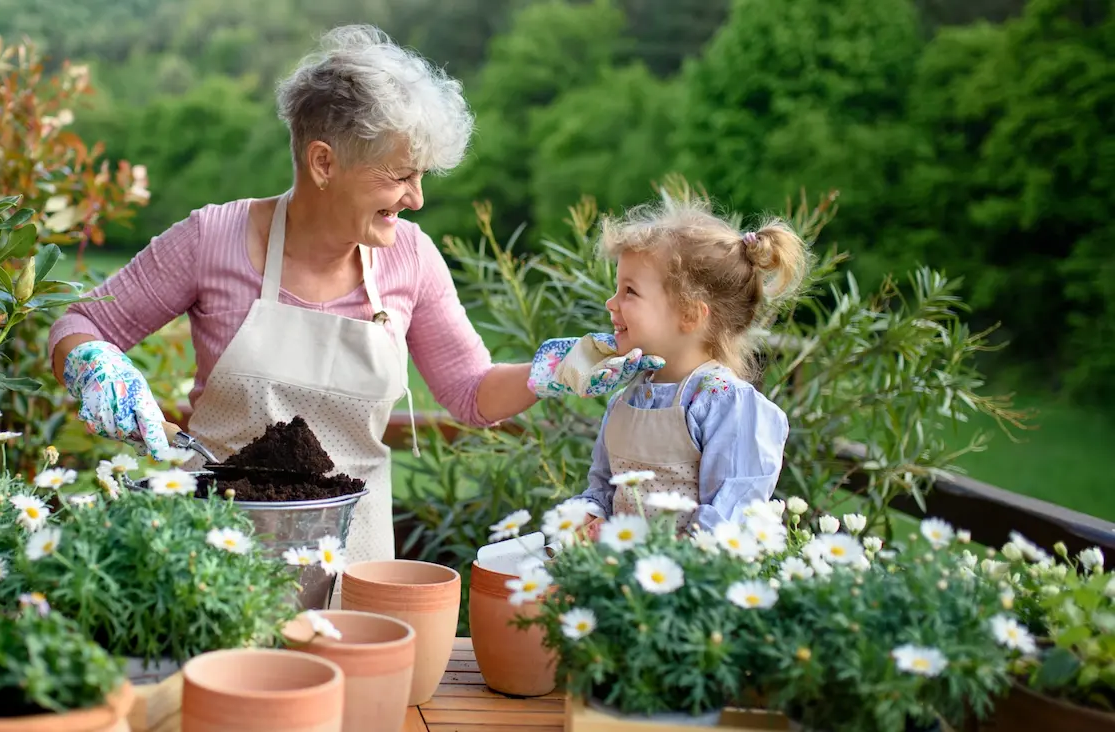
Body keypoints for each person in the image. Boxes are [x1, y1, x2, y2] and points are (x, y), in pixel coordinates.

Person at [48, 25, 650, 575]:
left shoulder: (410, 258)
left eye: (420, 177)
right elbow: (80, 322)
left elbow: (470, 394)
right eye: (397, 176)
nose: (415, 198)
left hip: (354, 561)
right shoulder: (213, 239)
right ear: (323, 163)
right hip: (214, 554)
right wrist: (91, 362)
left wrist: (555, 369)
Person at [553, 198, 808, 537]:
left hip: (684, 581)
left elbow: (727, 525)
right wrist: (589, 517)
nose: (611, 303)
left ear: (689, 314)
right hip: (625, 580)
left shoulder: (725, 405)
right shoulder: (628, 399)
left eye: (630, 291)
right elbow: (604, 490)